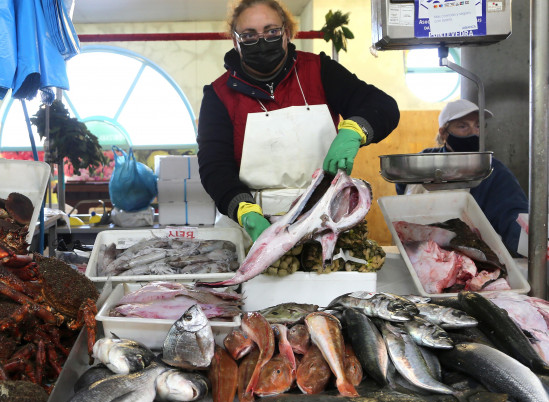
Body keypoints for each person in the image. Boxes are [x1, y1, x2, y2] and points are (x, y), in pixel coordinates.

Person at [196, 0, 400, 243]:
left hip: (325, 217)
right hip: (252, 228)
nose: (262, 42)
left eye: (272, 31)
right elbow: (214, 165)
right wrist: (243, 210)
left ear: (287, 32)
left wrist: (355, 130)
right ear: (235, 40)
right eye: (249, 35)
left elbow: (383, 105)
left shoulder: (320, 71)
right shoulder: (219, 94)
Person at [396, 99, 528, 255]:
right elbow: (403, 194)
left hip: (473, 264)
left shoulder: (493, 171)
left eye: (478, 126)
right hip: (416, 254)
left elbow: (513, 216)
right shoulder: (422, 161)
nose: (473, 132)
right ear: (444, 133)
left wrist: (533, 248)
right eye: (463, 126)